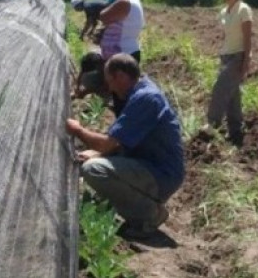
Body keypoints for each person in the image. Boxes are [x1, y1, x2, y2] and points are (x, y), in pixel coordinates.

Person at [66, 54, 184, 240]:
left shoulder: (145, 99)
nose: (109, 87)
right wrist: (98, 153)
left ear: (120, 76)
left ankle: (149, 215)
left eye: (109, 81)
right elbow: (119, 141)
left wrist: (78, 130)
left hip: (161, 173)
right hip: (148, 164)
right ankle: (135, 204)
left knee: (94, 169)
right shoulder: (141, 92)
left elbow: (108, 143)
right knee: (91, 160)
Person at [206, 0, 253, 146]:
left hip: (238, 56)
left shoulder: (244, 10)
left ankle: (212, 124)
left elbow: (248, 37)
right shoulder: (224, 11)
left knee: (220, 88)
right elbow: (226, 35)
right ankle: (236, 129)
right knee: (233, 95)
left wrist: (246, 60)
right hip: (226, 55)